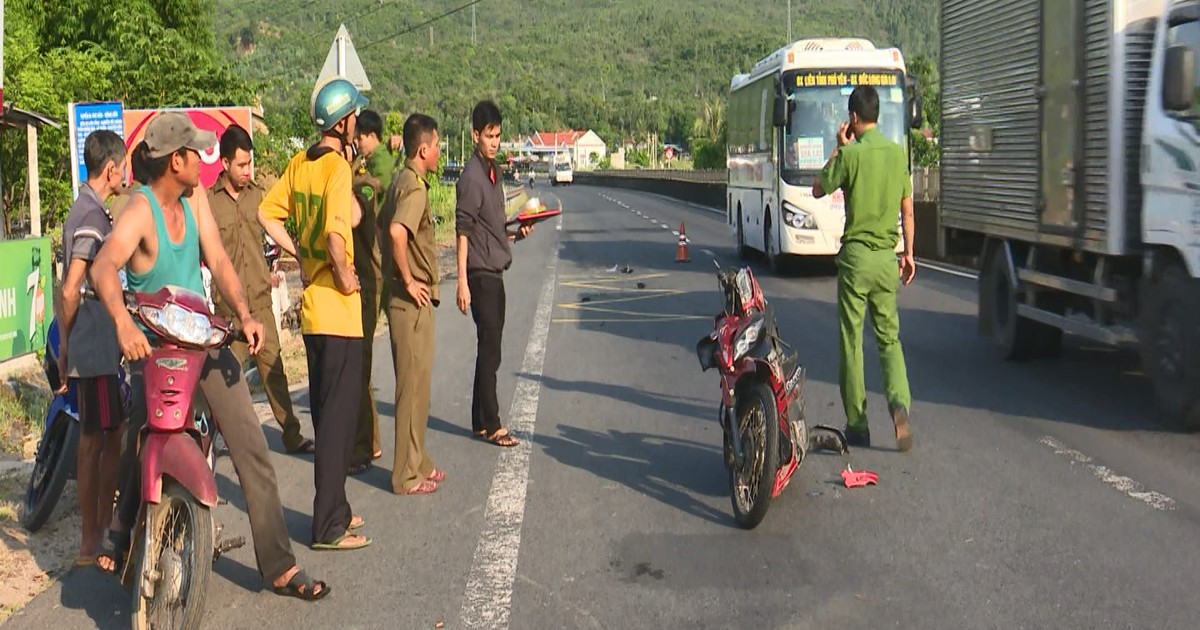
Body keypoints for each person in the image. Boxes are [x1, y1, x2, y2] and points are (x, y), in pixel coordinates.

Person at [91, 114, 330, 598]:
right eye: (196, 153)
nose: (204, 161)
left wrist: (245, 315)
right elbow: (102, 267)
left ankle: (280, 564)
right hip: (154, 346)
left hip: (201, 338)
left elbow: (218, 259)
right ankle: (121, 530)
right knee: (140, 432)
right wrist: (121, 324)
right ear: (175, 160)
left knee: (250, 444)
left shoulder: (194, 197)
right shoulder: (140, 210)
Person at [258, 77, 371, 551]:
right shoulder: (337, 171)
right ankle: (326, 526)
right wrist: (342, 272)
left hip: (310, 313)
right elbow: (336, 235)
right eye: (355, 118)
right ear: (344, 122)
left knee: (327, 418)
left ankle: (338, 509)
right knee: (339, 423)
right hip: (339, 312)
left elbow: (267, 213)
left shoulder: (300, 163)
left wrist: (297, 254)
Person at [811, 85, 915, 452]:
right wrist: (909, 254)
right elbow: (907, 210)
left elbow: (818, 189)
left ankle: (857, 423)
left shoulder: (851, 155)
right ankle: (899, 404)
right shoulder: (896, 154)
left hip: (856, 260)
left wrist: (839, 146)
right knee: (890, 340)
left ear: (853, 119)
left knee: (852, 343)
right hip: (888, 259)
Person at [208, 123, 314, 455]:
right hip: (227, 310)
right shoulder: (209, 204)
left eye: (249, 163)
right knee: (223, 379)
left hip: (260, 303)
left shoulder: (257, 197)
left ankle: (292, 434)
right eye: (240, 164)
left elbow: (271, 237)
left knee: (275, 371)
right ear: (224, 163)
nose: (246, 170)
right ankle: (212, 440)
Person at [56, 129, 126, 569]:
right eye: (123, 168)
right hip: (94, 346)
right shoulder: (91, 218)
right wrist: (66, 347)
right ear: (110, 169)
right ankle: (93, 538)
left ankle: (99, 531)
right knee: (98, 440)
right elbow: (69, 290)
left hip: (95, 345)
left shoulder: (89, 210)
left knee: (104, 434)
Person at [455, 100, 532, 447]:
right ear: (475, 135)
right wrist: (460, 281)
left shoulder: (493, 171)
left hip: (494, 267)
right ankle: (495, 422)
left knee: (489, 346)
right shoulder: (471, 177)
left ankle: (479, 420)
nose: (494, 142)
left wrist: (515, 232)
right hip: (480, 273)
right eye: (489, 136)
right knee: (492, 349)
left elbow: (491, 227)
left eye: (498, 136)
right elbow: (463, 231)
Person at [378, 113, 444, 494]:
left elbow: (381, 230)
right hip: (410, 302)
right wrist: (407, 278)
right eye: (436, 146)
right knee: (411, 389)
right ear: (423, 149)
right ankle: (405, 474)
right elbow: (395, 231)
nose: (438, 152)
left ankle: (419, 461)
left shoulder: (401, 181)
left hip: (403, 299)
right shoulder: (415, 189)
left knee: (419, 387)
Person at [347, 109, 385, 474]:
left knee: (360, 367)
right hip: (362, 283)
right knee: (361, 368)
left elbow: (357, 211)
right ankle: (368, 442)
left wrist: (343, 175)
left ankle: (362, 447)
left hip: (368, 282)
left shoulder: (370, 177)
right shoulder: (363, 170)